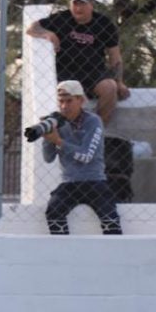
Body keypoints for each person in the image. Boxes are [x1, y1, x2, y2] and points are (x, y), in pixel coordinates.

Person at [25, 0, 130, 124]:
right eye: (75, 3)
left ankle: (97, 129)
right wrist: (47, 33)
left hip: (95, 73)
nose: (78, 8)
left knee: (110, 87)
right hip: (66, 71)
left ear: (91, 5)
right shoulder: (61, 18)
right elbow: (31, 28)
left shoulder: (104, 23)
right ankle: (75, 131)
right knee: (73, 97)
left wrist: (119, 82)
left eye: (83, 4)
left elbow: (115, 56)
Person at [39, 80, 123, 235]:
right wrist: (47, 136)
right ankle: (64, 248)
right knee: (54, 212)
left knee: (110, 220)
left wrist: (58, 141)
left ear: (81, 100)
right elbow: (48, 158)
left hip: (94, 181)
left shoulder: (93, 121)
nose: (64, 106)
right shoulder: (58, 121)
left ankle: (114, 249)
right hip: (69, 182)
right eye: (61, 101)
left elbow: (86, 156)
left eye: (69, 101)